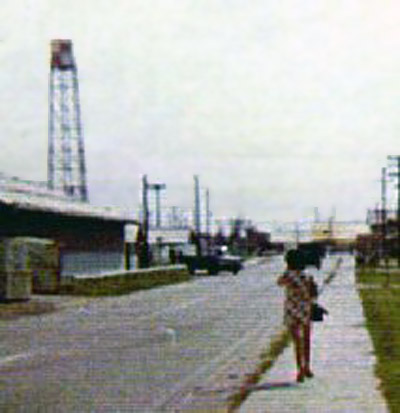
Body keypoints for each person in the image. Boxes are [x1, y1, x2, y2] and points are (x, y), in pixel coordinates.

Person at [277, 249, 314, 382]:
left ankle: (299, 369)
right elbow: (312, 293)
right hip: (305, 308)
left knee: (297, 340)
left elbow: (279, 283)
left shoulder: (287, 275)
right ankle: (307, 367)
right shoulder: (307, 275)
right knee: (307, 339)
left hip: (291, 309)